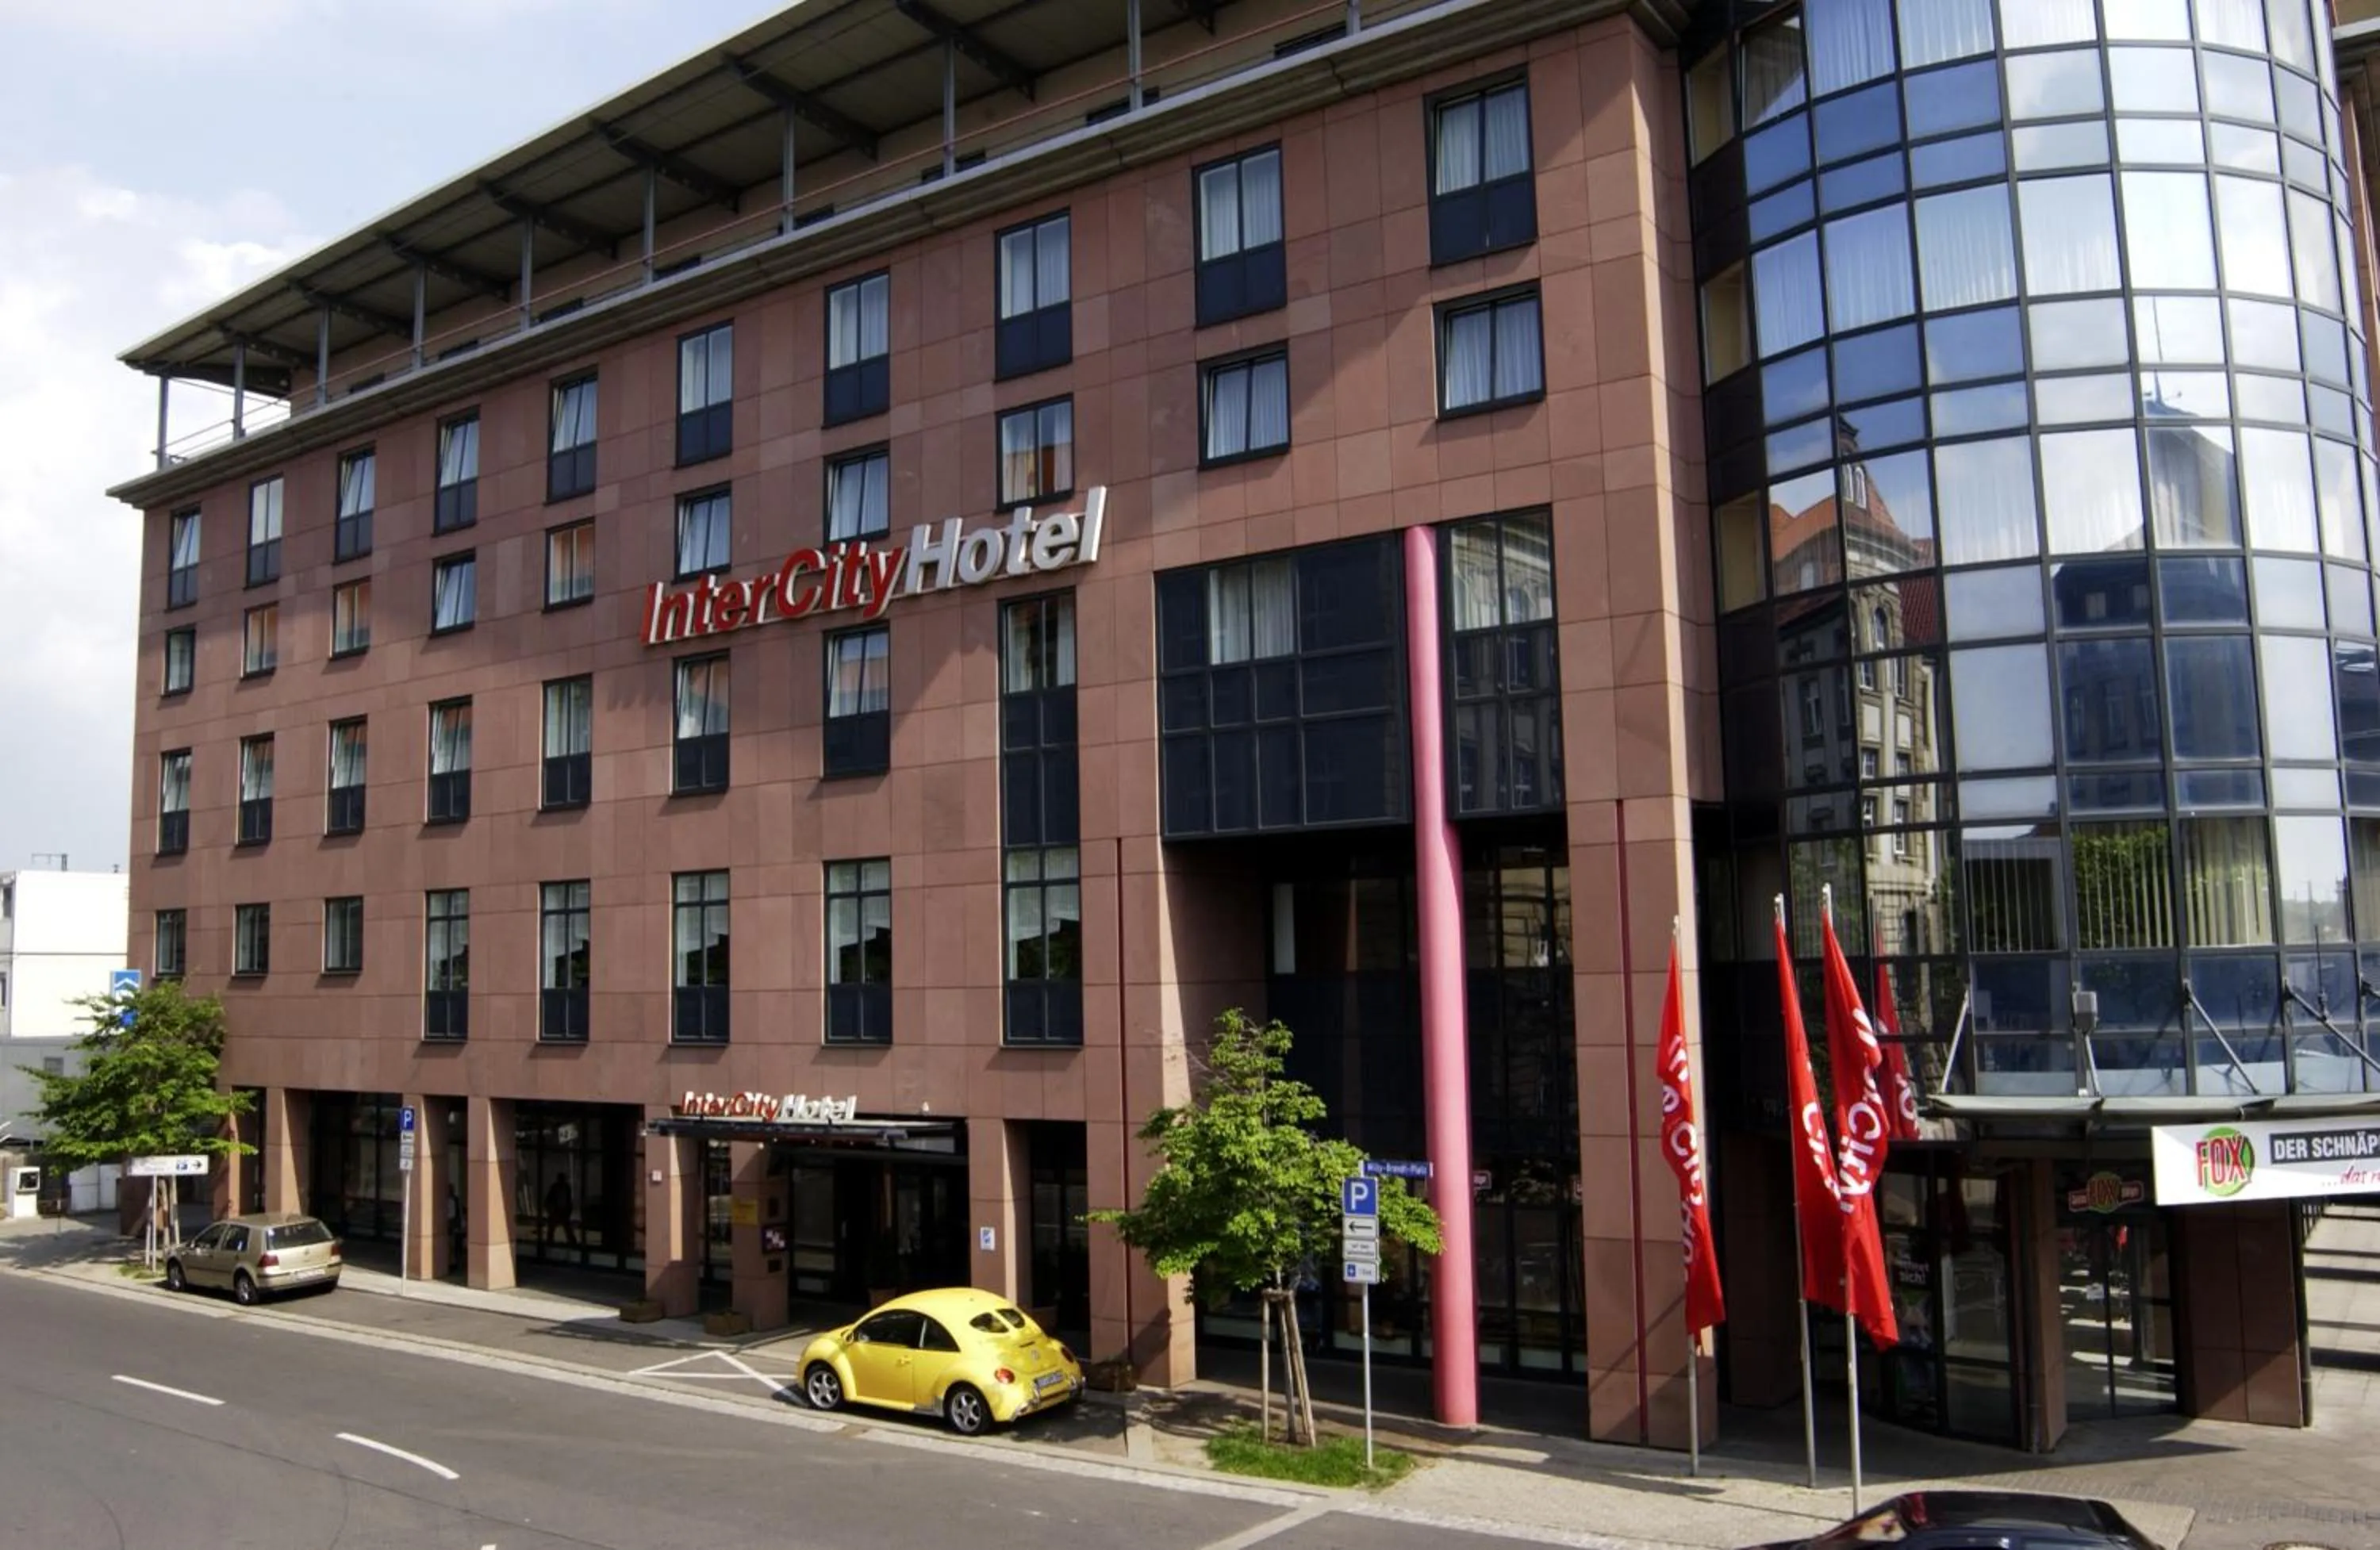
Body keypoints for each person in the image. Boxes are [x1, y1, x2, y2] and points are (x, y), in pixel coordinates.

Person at [544, 1172, 578, 1249]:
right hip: (557, 1210)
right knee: (555, 1227)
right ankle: (550, 1241)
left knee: (565, 1227)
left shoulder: (566, 1187)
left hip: (562, 1210)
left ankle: (572, 1242)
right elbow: (550, 1199)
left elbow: (568, 1200)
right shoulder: (557, 1187)